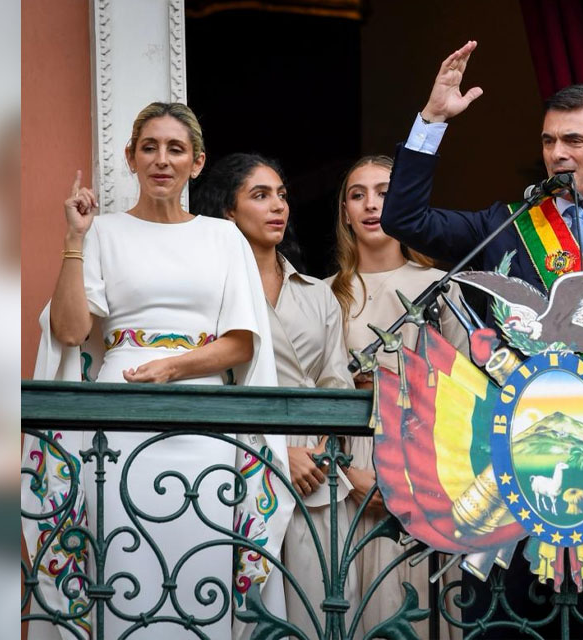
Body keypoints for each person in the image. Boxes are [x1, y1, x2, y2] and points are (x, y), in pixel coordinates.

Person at [379, 41, 583, 638]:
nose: (557, 154)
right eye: (549, 141)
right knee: (496, 622)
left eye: (574, 141)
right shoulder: (506, 225)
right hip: (503, 459)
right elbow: (405, 222)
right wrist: (432, 123)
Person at [21, 103, 293, 640]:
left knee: (202, 564)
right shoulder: (103, 233)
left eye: (175, 149)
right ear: (130, 157)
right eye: (149, 147)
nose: (161, 160)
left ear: (197, 162)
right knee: (120, 562)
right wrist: (75, 239)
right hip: (118, 423)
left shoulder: (223, 237)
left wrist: (176, 367)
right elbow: (73, 331)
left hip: (205, 425)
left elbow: (241, 342)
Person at [192, 152, 359, 638]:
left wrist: (323, 455)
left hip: (316, 473)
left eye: (282, 195)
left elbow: (336, 387)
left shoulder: (317, 293)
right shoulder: (208, 290)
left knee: (315, 607)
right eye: (260, 196)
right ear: (228, 211)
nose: (278, 206)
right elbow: (212, 388)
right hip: (241, 461)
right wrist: (279, 453)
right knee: (245, 613)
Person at [326, 154, 468, 637]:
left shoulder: (439, 288)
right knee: (344, 595)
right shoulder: (324, 294)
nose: (371, 205)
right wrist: (345, 473)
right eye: (357, 194)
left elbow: (463, 387)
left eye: (385, 192)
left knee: (408, 601)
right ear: (344, 211)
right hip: (343, 465)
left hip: (418, 461)